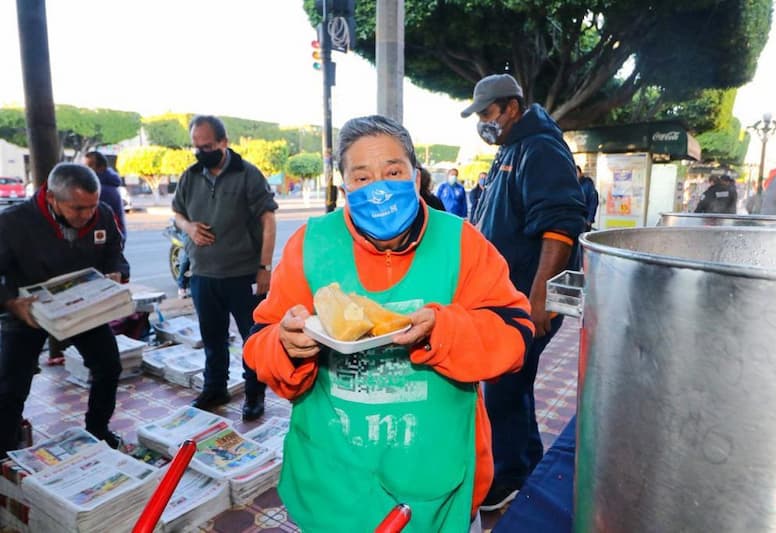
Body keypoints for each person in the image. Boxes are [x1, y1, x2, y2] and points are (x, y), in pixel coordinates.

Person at [242, 115, 533, 532]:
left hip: (435, 485)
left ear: (416, 178)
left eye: (393, 171)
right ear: (345, 188)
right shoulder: (310, 244)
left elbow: (516, 334)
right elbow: (260, 341)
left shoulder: (461, 242)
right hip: (332, 486)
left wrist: (443, 331)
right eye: (361, 177)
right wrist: (286, 346)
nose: (379, 187)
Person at [461, 73, 586, 511]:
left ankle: (507, 479)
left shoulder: (540, 148)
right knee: (515, 384)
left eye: (488, 113)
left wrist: (538, 298)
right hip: (505, 294)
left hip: (524, 298)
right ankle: (528, 465)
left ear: (511, 107)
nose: (483, 123)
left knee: (504, 385)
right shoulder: (511, 149)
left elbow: (561, 224)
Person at [0, 162, 129, 457]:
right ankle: (4, 452)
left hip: (81, 310)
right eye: (77, 209)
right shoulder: (12, 222)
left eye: (92, 207)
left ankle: (97, 430)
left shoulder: (102, 215)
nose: (87, 216)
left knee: (109, 367)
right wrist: (10, 303)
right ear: (51, 199)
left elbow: (115, 253)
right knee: (10, 387)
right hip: (26, 313)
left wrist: (116, 273)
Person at [172, 115, 278, 421]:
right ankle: (214, 388)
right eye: (196, 146)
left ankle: (254, 395)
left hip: (243, 274)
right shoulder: (190, 176)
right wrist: (189, 227)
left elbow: (268, 221)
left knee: (252, 339)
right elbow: (177, 212)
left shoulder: (247, 174)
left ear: (223, 143)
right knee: (213, 338)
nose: (201, 152)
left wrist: (265, 267)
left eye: (207, 146)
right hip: (203, 274)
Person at [83, 151, 127, 239]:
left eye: (90, 165)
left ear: (101, 168)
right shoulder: (106, 186)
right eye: (84, 166)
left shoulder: (102, 190)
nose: (85, 169)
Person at [577, 166, 599, 231]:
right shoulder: (571, 184)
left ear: (581, 173)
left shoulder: (588, 184)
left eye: (576, 172)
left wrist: (589, 220)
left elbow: (593, 202)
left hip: (584, 220)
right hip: (574, 220)